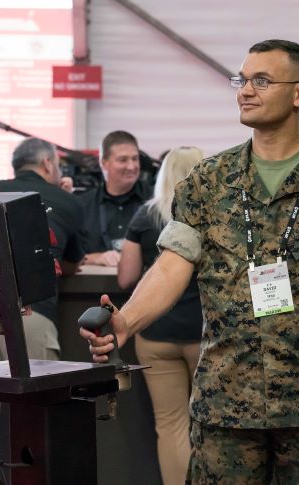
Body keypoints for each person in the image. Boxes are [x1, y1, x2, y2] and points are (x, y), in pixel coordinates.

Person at [82, 39, 299, 484]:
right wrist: (127, 322)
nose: (245, 91)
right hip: (226, 405)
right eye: (242, 79)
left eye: (261, 80)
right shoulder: (208, 181)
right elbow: (174, 263)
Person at [0, 138, 87, 484]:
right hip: (31, 315)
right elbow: (72, 262)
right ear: (46, 165)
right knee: (40, 424)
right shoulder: (67, 202)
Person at [117, 146, 205, 485]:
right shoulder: (216, 215)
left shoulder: (145, 216)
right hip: (204, 335)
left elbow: (126, 278)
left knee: (170, 425)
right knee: (209, 424)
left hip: (155, 335)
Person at [78, 130, 152, 267]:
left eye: (135, 159)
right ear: (103, 163)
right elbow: (65, 259)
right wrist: (95, 258)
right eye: (123, 160)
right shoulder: (82, 206)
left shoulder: (155, 203)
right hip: (93, 286)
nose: (131, 166)